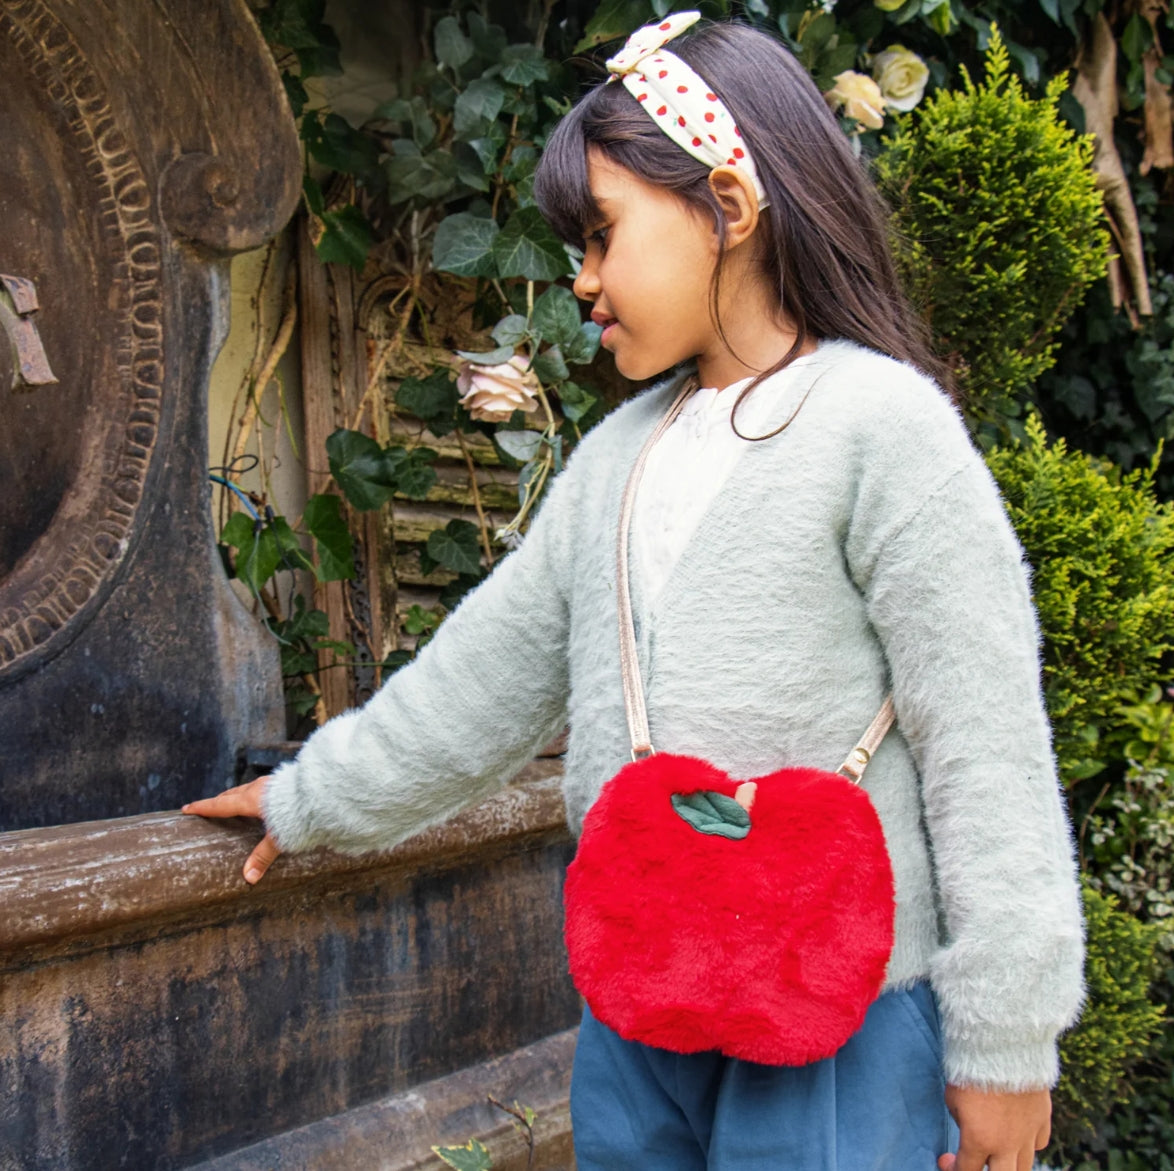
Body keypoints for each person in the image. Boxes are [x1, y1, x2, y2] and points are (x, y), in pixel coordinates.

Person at [185, 13, 1084, 1171]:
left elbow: (986, 743)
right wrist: (310, 800)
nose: (583, 277)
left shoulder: (883, 430)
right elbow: (477, 685)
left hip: (841, 1006)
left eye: (602, 234)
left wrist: (1008, 1042)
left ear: (728, 206)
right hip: (644, 994)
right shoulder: (615, 459)